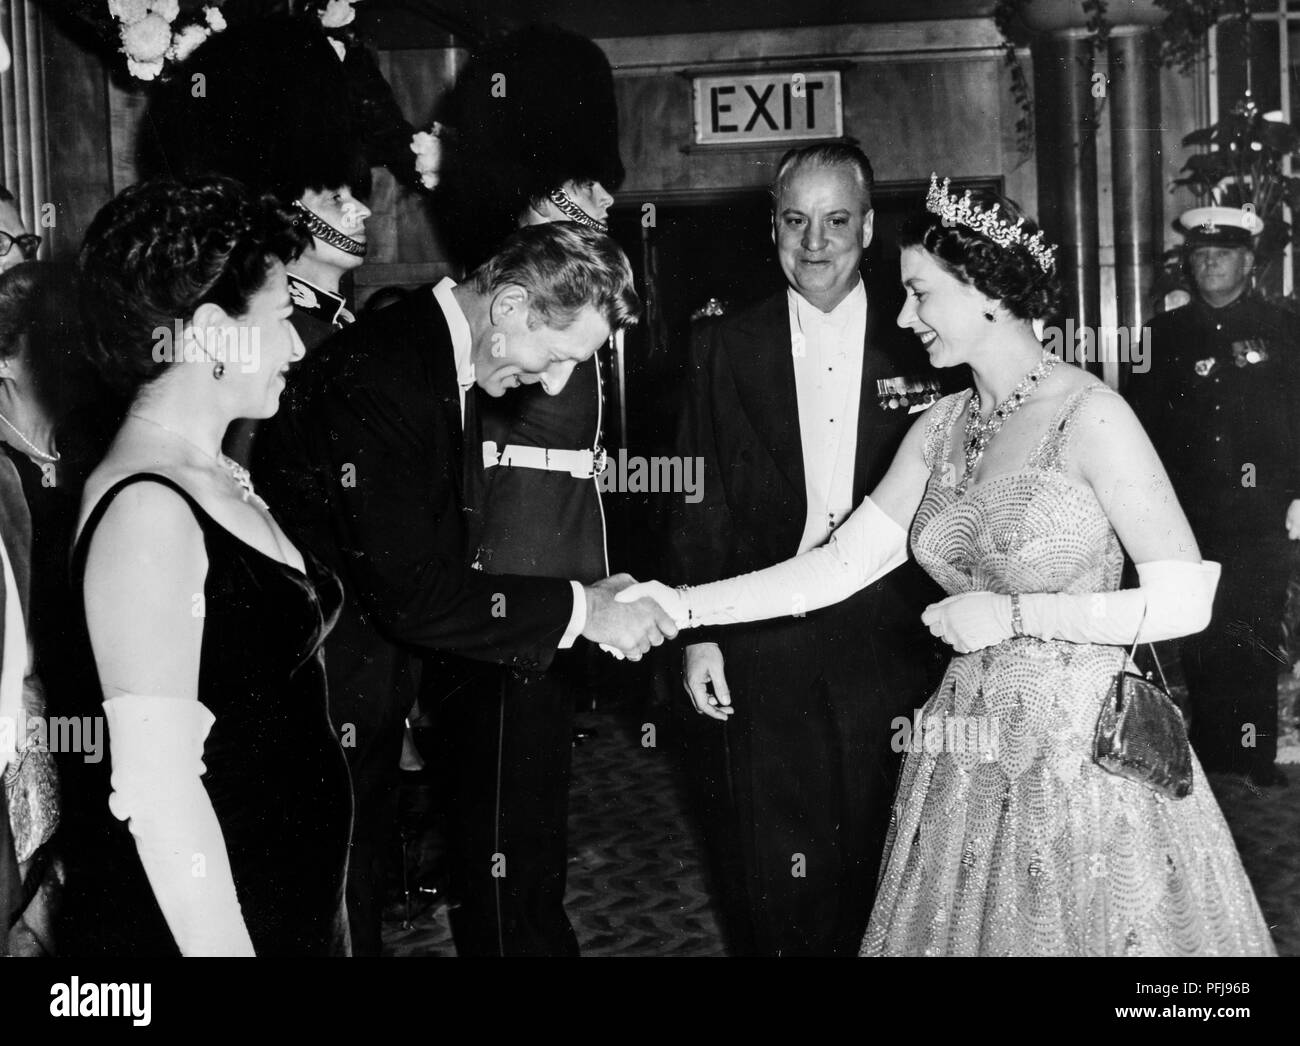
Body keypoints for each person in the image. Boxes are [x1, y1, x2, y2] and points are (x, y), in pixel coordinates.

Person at [630, 175, 1276, 956]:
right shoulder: (941, 427)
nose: (904, 317)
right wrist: (681, 605)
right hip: (965, 751)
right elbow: (837, 565)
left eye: (920, 294)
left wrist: (1014, 617)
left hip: (1078, 758)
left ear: (986, 293)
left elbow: (1185, 600)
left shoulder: (1091, 415)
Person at [253, 220, 679, 956]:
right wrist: (586, 611)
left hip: (360, 698)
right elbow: (414, 591)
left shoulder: (430, 358)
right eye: (556, 356)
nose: (553, 384)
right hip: (318, 708)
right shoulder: (387, 372)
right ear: (510, 307)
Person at [667, 143, 947, 957]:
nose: (815, 242)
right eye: (796, 221)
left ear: (868, 227)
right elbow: (698, 493)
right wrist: (699, 633)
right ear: (773, 228)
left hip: (896, 637)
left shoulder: (922, 336)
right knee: (770, 860)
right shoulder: (723, 344)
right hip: (765, 630)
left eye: (835, 221)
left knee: (891, 855)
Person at [61, 177, 353, 956]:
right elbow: (159, 794)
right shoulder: (148, 511)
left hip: (287, 895)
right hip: (216, 923)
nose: (297, 344)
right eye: (285, 317)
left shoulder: (212, 470)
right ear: (216, 332)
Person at [426, 23, 625, 956]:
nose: (605, 198)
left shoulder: (565, 280)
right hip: (507, 578)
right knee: (507, 827)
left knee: (532, 820)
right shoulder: (516, 285)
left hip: (555, 570)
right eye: (585, 184)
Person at [141, 18, 374, 466]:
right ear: (290, 209)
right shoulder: (279, 334)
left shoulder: (333, 323)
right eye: (334, 198)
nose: (360, 211)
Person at [1127, 206, 1299, 787]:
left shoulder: (1286, 329)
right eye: (1199, 256)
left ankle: (1254, 755)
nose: (1209, 264)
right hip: (1187, 513)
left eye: (1222, 254)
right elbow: (1139, 429)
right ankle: (1207, 752)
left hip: (1262, 513)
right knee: (1197, 633)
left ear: (1249, 262)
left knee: (1254, 628)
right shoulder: (1161, 337)